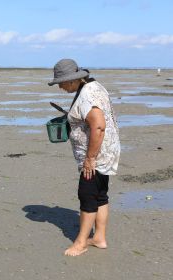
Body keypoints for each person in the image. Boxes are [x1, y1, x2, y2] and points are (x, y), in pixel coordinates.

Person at [48, 59, 120, 256]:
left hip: (95, 157)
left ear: (73, 80)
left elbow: (98, 125)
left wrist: (90, 158)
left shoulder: (87, 95)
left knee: (87, 196)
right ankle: (99, 238)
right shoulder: (94, 86)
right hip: (106, 153)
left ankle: (80, 243)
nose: (61, 87)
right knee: (100, 195)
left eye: (61, 83)